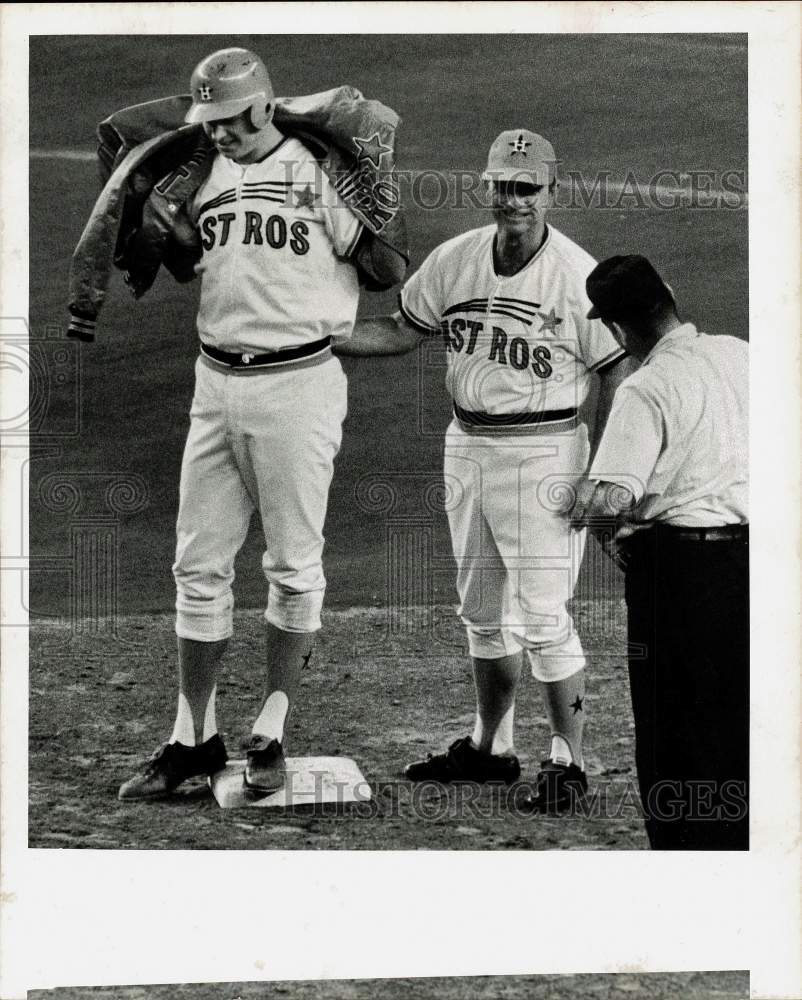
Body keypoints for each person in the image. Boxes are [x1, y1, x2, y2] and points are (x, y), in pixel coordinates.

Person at [335, 129, 636, 811]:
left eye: (527, 188)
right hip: (467, 445)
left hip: (547, 454)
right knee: (480, 610)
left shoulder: (575, 276)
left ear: (551, 192)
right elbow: (402, 329)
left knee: (542, 614)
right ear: (487, 187)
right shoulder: (457, 259)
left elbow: (621, 368)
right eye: (503, 186)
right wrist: (321, 334)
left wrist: (606, 471)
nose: (514, 200)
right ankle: (489, 748)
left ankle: (569, 762)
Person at [119, 48, 371, 800]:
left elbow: (383, 264)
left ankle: (272, 730)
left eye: (229, 120)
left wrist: (367, 213)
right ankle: (190, 737)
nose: (218, 133)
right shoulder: (202, 172)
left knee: (293, 565)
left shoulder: (320, 171)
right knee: (197, 566)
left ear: (263, 108)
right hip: (214, 381)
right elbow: (191, 263)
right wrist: (162, 229)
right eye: (209, 122)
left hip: (299, 383)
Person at [568, 254, 749, 849]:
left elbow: (613, 495)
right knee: (742, 711)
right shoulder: (742, 354)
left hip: (680, 575)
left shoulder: (646, 387)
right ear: (668, 294)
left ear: (618, 329)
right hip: (758, 563)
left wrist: (595, 522)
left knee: (675, 724)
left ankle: (689, 857)